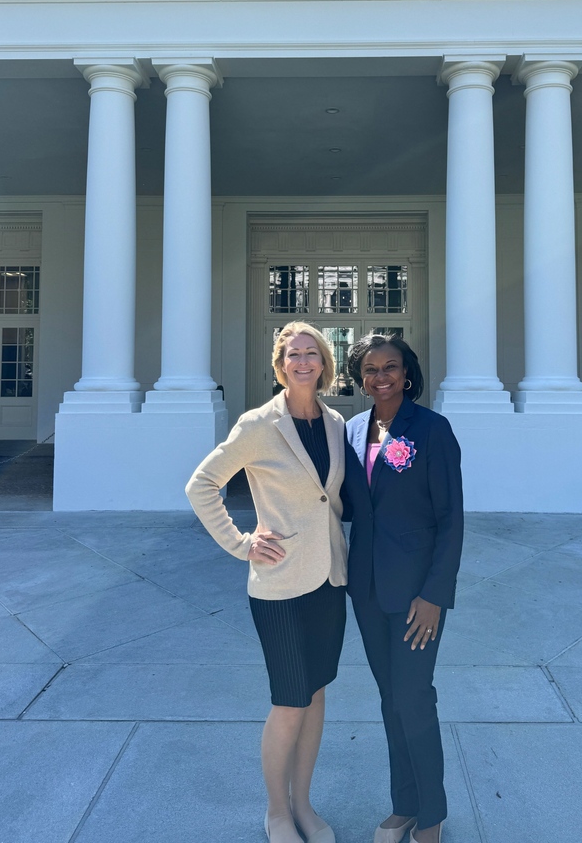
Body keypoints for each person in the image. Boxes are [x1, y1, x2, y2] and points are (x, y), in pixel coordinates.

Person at [186, 321, 348, 843]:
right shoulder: (258, 424)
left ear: (324, 362)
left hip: (329, 579)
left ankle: (304, 803)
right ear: (280, 365)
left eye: (312, 353)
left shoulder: (336, 423)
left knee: (317, 693)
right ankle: (276, 811)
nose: (303, 362)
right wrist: (241, 543)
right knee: (289, 700)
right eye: (293, 355)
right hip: (279, 586)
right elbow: (202, 484)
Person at [341, 333, 464, 843]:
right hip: (367, 589)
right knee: (391, 698)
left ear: (407, 373)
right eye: (370, 369)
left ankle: (431, 816)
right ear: (360, 377)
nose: (381, 377)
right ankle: (404, 805)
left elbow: (450, 519)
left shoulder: (432, 430)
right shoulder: (349, 430)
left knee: (414, 697)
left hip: (417, 595)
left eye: (391, 367)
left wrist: (435, 594)